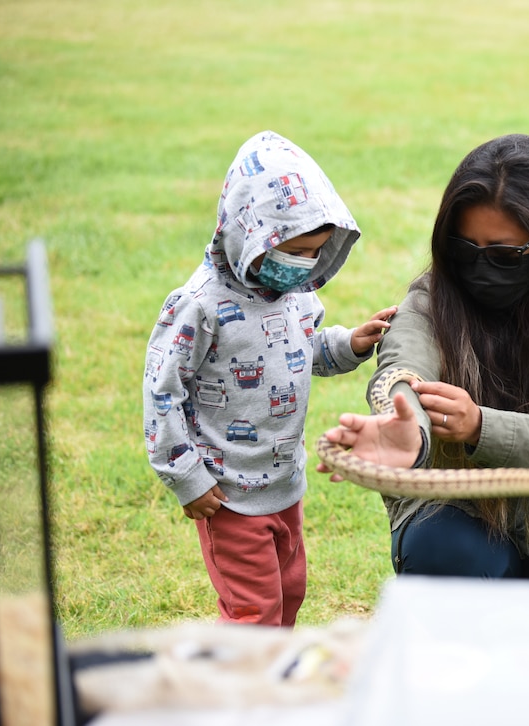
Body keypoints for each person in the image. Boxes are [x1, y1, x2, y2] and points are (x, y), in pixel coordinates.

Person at [320, 133, 529, 581]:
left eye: (505, 255)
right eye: (466, 251)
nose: (481, 268)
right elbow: (403, 369)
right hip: (462, 507)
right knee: (446, 555)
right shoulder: (431, 298)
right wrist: (410, 429)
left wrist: (481, 427)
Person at [142, 130, 397, 627]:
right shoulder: (200, 305)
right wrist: (186, 476)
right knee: (254, 611)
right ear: (249, 232)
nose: (301, 264)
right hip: (227, 492)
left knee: (289, 592)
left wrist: (351, 344)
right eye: (293, 251)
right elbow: (162, 393)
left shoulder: (296, 293)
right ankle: (240, 694)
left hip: (284, 483)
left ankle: (273, 685)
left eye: (313, 252)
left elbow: (305, 351)